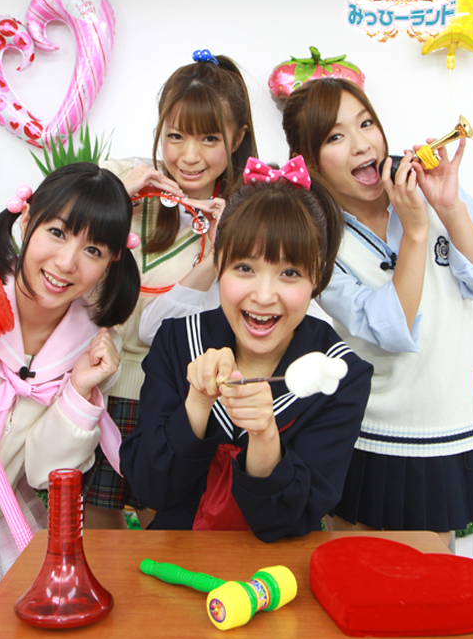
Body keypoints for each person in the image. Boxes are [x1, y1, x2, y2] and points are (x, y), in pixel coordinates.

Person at [120, 158, 373, 542]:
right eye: (244, 268)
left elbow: (291, 519)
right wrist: (197, 403)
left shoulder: (339, 374)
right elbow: (150, 489)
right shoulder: (178, 342)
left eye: (290, 273)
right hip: (176, 562)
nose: (264, 295)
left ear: (318, 274)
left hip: (278, 571)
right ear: (219, 262)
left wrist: (265, 435)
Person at [282, 77, 473, 540]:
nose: (361, 144)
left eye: (366, 123)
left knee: (438, 577)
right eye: (335, 137)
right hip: (373, 436)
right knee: (362, 575)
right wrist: (415, 233)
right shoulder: (319, 242)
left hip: (451, 425)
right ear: (309, 161)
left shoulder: (427, 191)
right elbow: (392, 328)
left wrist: (449, 208)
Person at [84, 50, 257, 528]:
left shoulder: (245, 215)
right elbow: (48, 238)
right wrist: (115, 196)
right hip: (99, 386)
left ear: (238, 138)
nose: (189, 156)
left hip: (178, 395)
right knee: (98, 525)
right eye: (176, 135)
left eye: (209, 138)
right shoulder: (123, 178)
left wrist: (221, 253)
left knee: (165, 525)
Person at [0, 162, 140, 600]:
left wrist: (79, 391)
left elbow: (42, 472)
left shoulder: (91, 348)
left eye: (93, 250)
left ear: (111, 262)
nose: (66, 262)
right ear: (26, 220)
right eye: (56, 232)